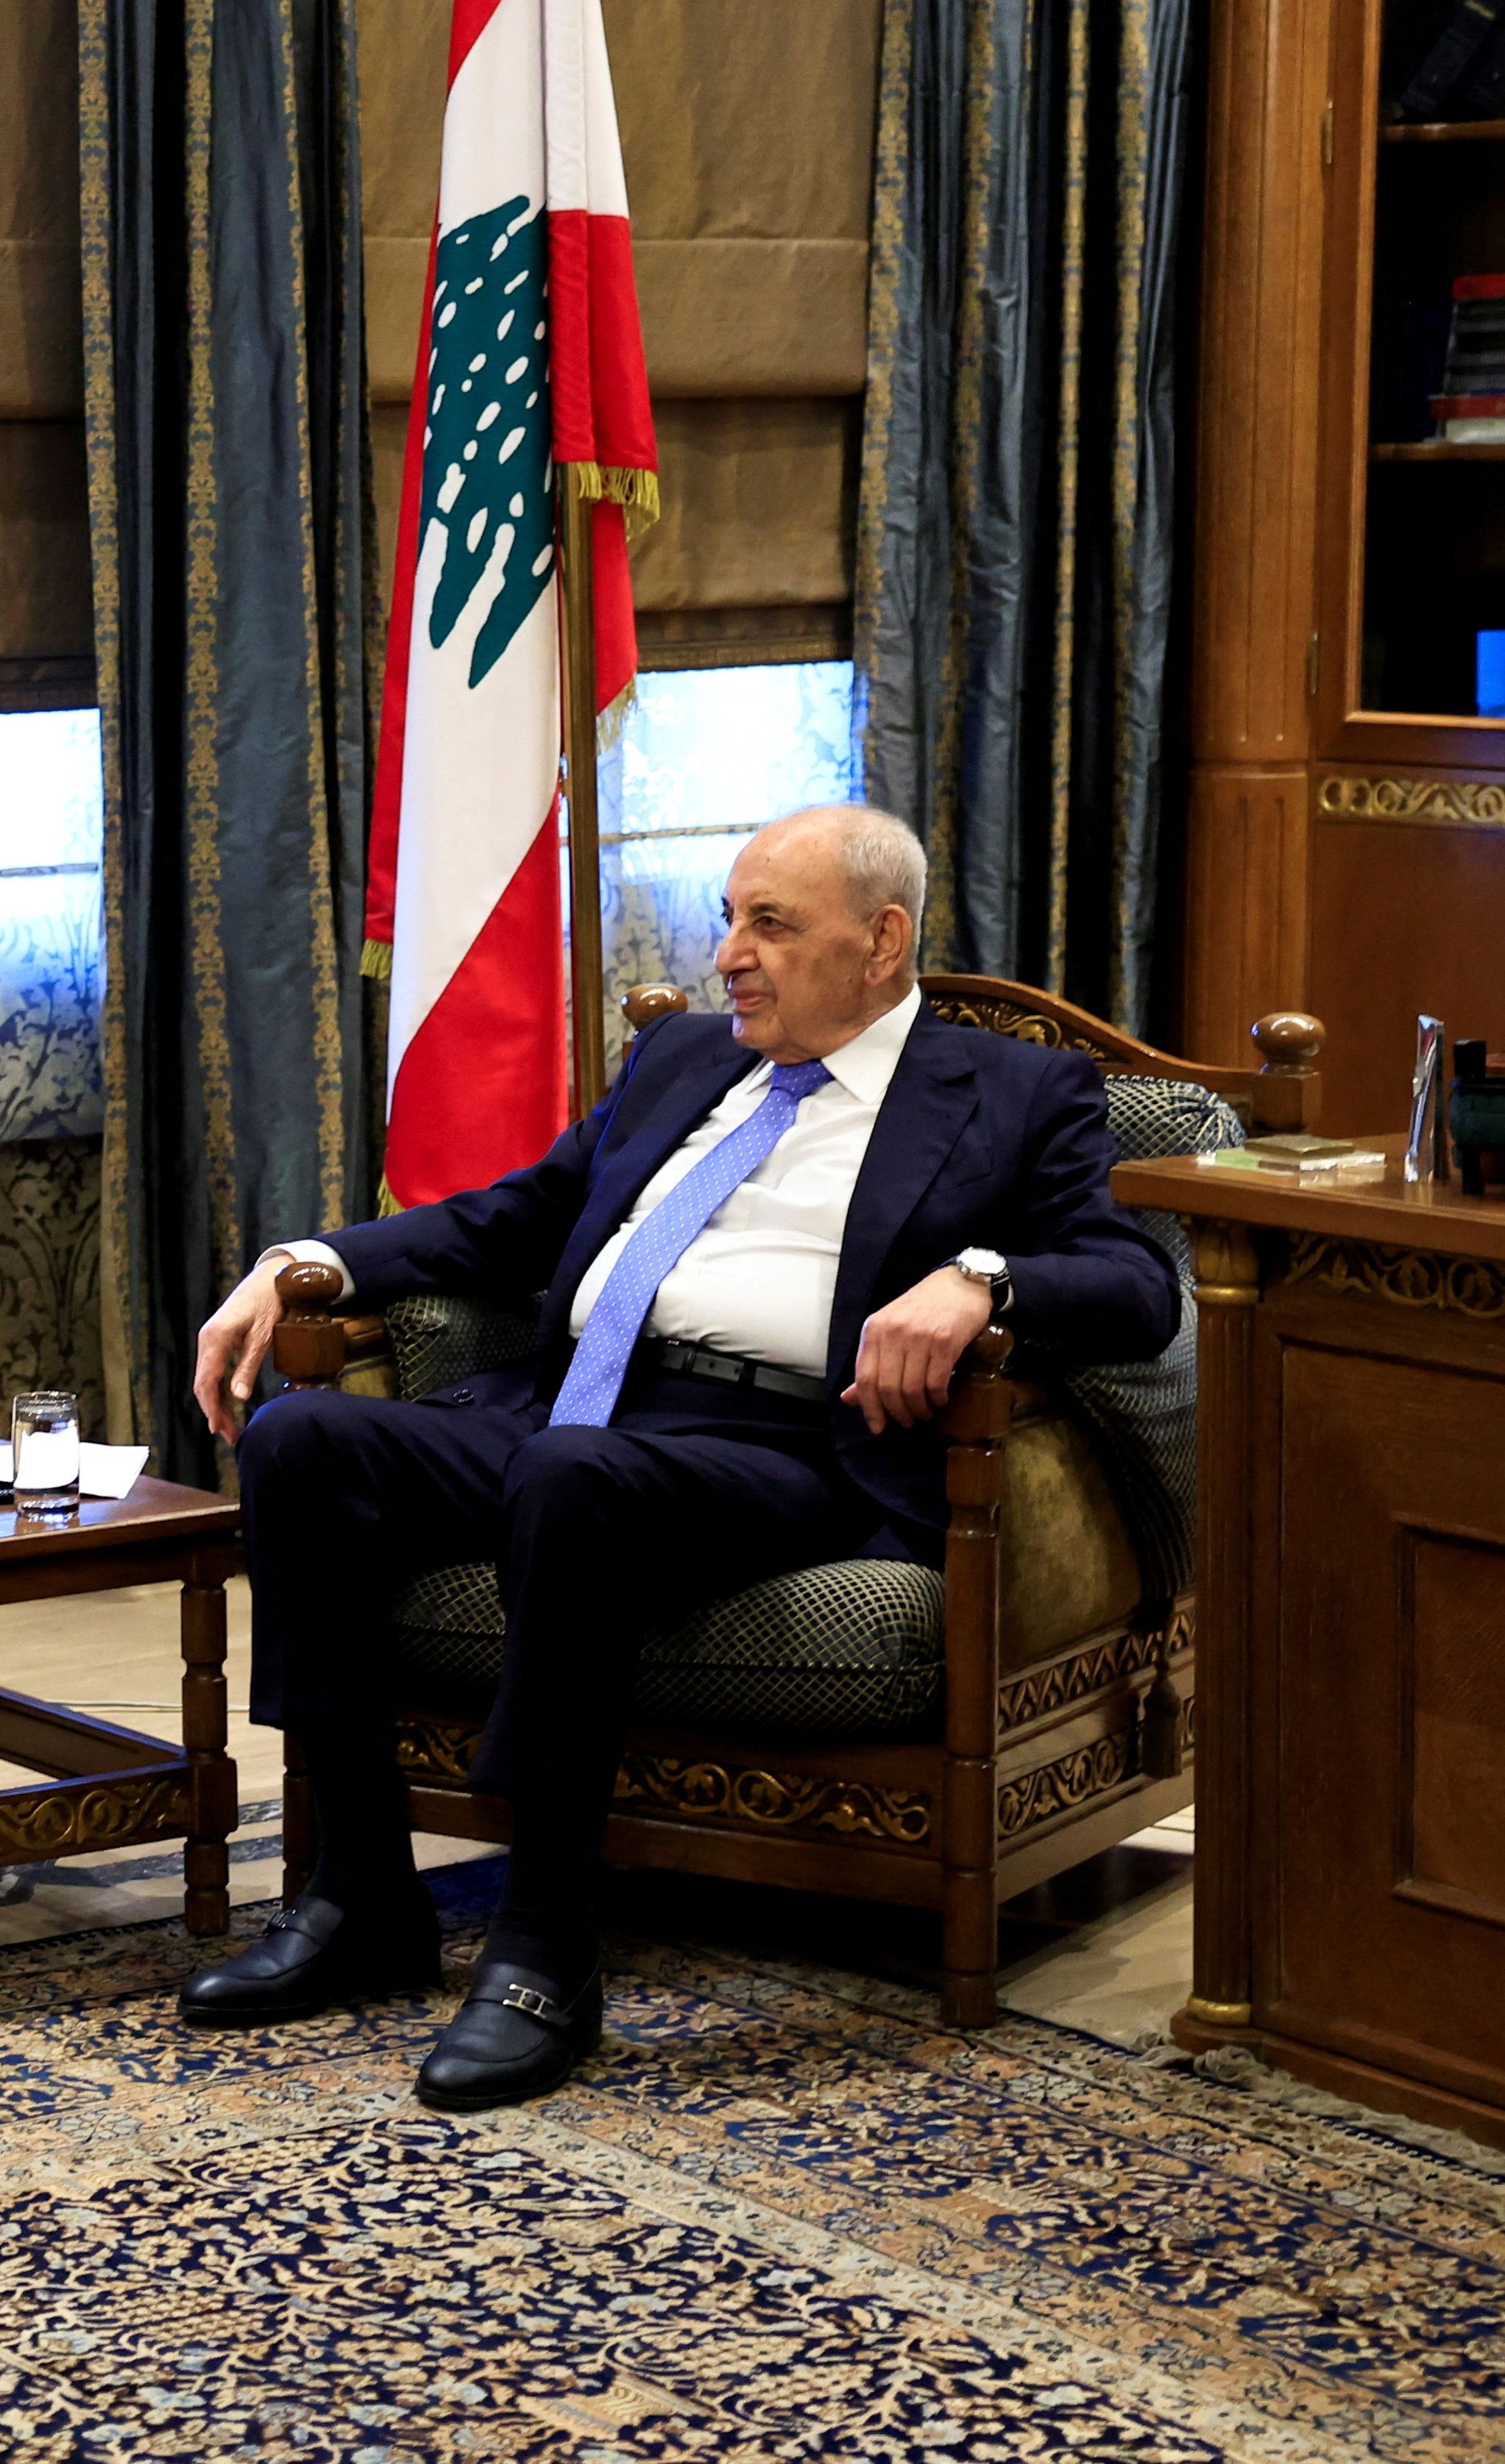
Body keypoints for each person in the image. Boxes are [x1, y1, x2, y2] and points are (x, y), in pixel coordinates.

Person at [182, 803, 1174, 2109]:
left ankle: (544, 1947)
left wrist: (980, 1279)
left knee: (571, 1479)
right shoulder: (683, 1058)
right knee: (304, 1439)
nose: (728, 957)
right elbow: (523, 1217)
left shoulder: (1014, 1090)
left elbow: (1135, 1286)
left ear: (882, 943)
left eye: (771, 925)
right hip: (575, 1407)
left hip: (781, 1445)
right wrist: (305, 1262)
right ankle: (361, 1894)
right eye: (728, 919)